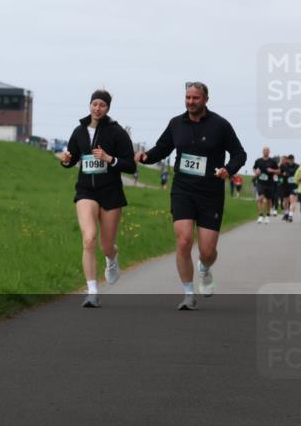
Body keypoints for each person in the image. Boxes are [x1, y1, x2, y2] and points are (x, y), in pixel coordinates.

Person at [135, 82, 246, 310]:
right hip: (183, 189)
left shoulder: (220, 125)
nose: (190, 102)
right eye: (187, 97)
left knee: (207, 251)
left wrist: (228, 169)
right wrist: (146, 156)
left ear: (206, 99)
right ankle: (188, 292)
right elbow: (162, 148)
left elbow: (239, 153)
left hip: (210, 193)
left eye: (195, 98)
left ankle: (204, 269)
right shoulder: (176, 123)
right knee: (184, 240)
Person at [59, 90, 136, 308]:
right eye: (94, 104)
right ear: (89, 105)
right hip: (86, 191)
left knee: (106, 245)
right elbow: (72, 158)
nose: (97, 108)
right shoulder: (80, 131)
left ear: (108, 108)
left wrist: (109, 159)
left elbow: (130, 165)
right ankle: (92, 289)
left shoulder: (117, 132)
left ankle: (112, 260)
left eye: (102, 105)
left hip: (111, 193)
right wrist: (65, 160)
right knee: (89, 238)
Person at [252, 148, 279, 224]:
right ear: (262, 152)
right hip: (260, 183)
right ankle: (260, 216)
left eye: (267, 150)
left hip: (270, 183)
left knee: (269, 200)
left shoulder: (273, 161)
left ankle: (267, 215)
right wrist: (256, 172)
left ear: (269, 152)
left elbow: (279, 171)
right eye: (264, 150)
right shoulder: (258, 161)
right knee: (260, 198)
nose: (265, 152)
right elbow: (254, 168)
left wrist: (272, 170)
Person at [278, 154, 298, 222]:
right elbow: (279, 173)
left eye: (292, 160)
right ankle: (286, 213)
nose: (291, 161)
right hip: (285, 186)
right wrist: (283, 175)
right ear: (288, 160)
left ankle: (290, 215)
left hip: (294, 186)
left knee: (293, 201)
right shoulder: (283, 166)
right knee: (285, 202)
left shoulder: (297, 166)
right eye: (290, 160)